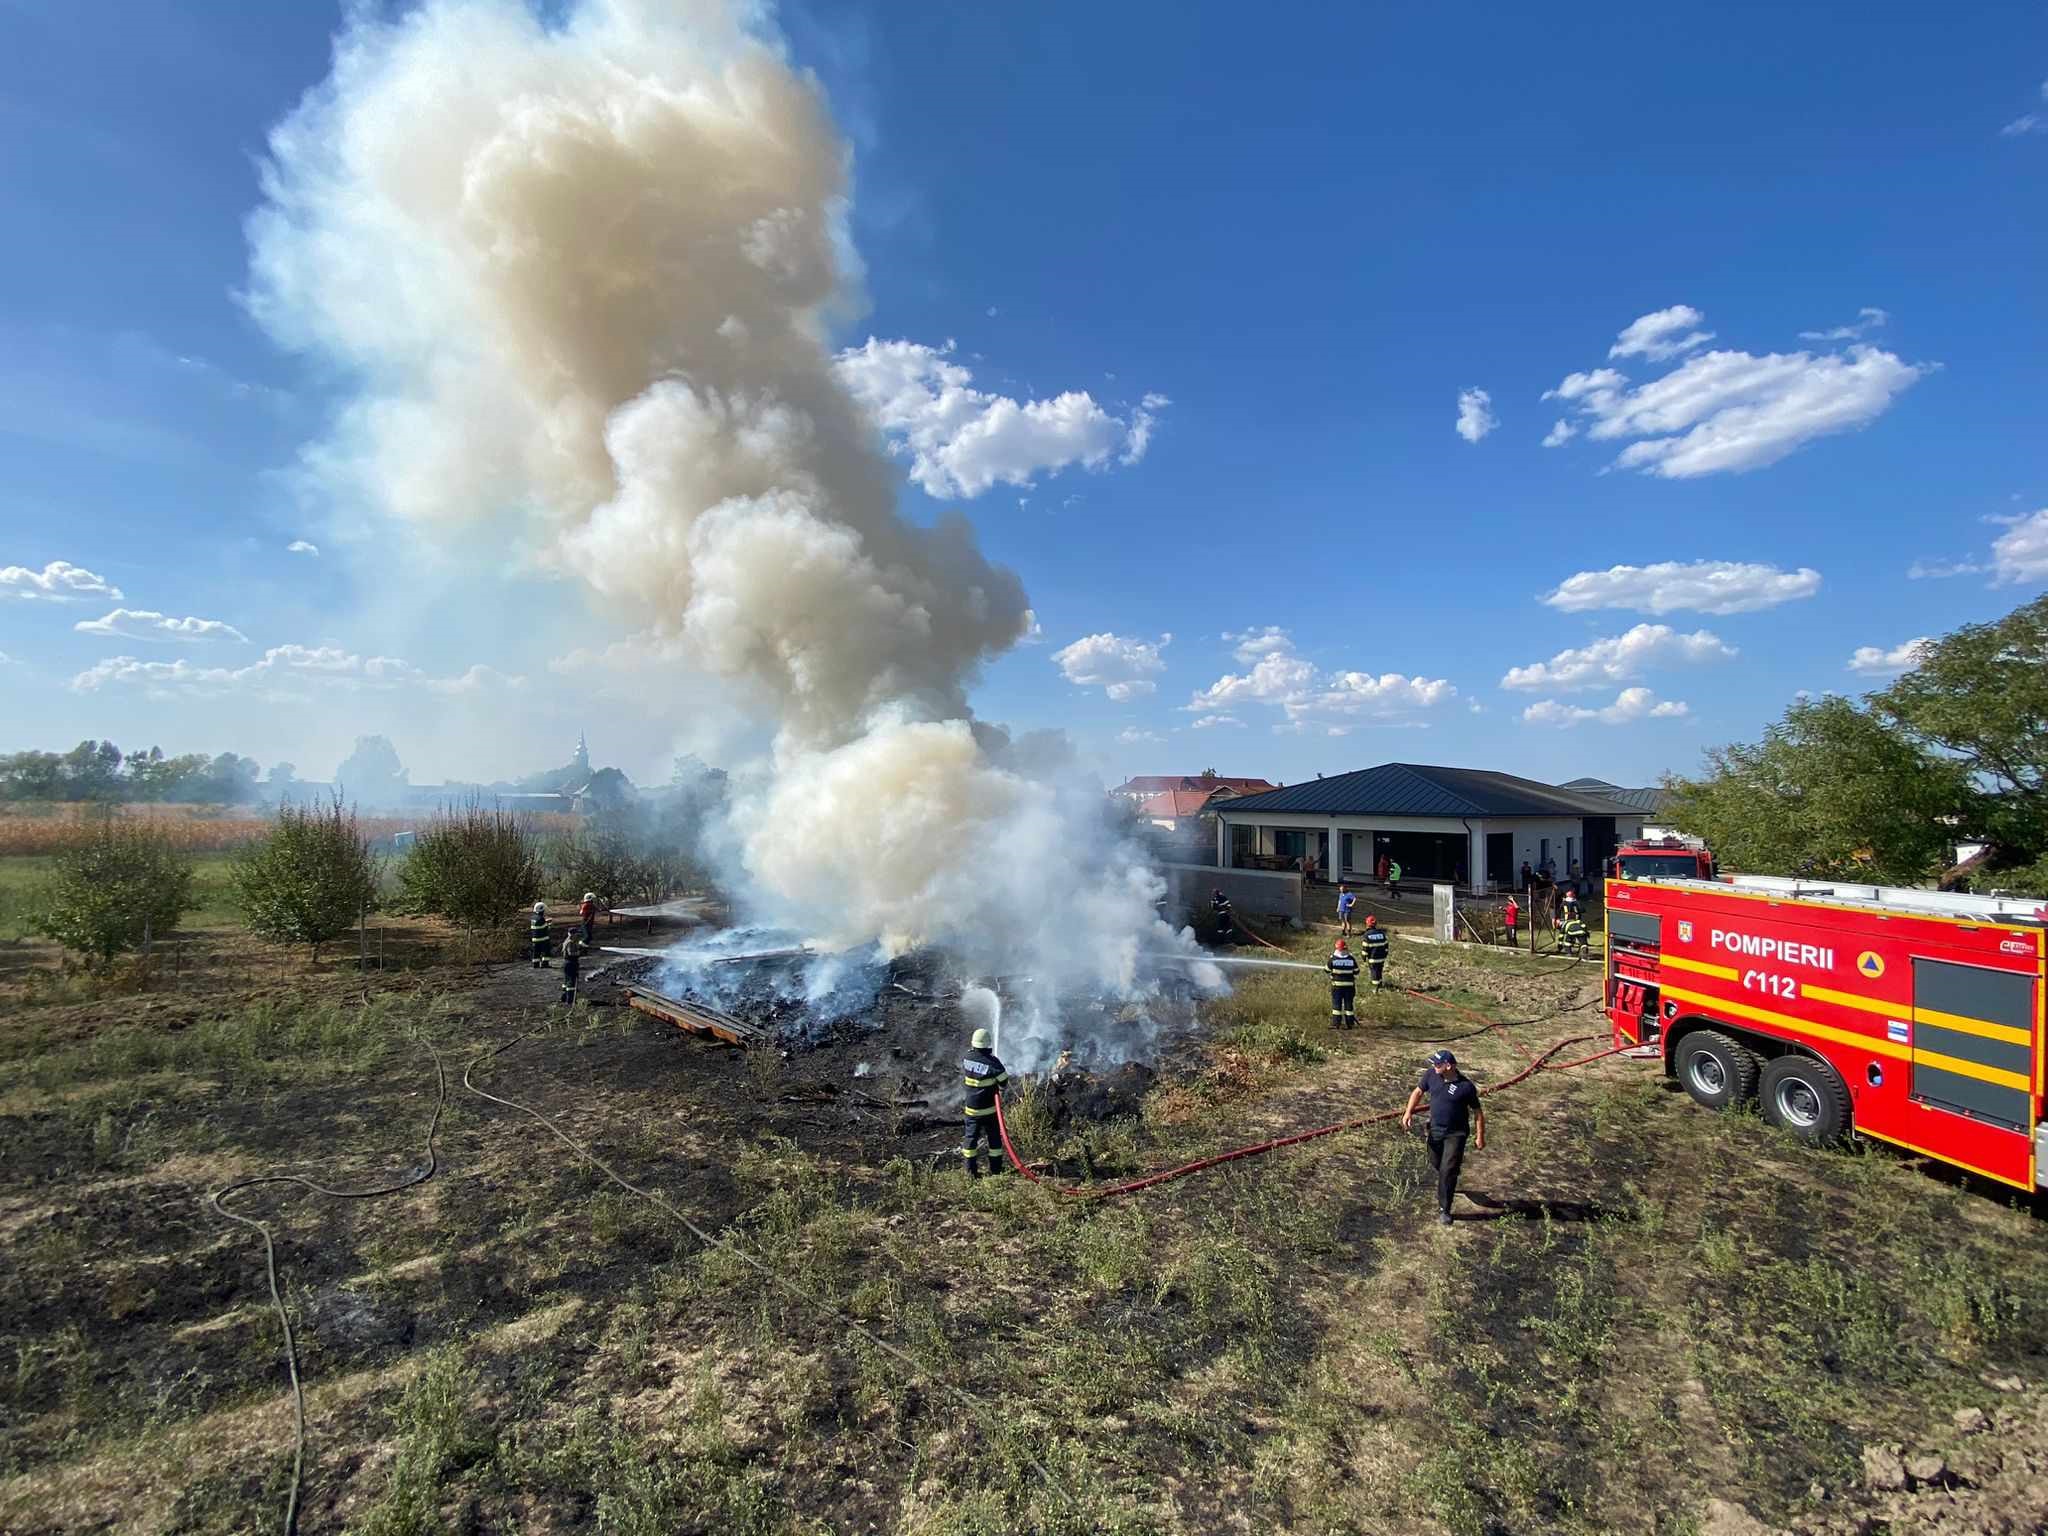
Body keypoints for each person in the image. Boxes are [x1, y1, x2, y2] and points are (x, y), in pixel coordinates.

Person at [1402, 1049, 1485, 1225]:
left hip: (1456, 1134)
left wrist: (1480, 1136)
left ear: (1449, 1066)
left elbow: (1478, 1112)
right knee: (1436, 1162)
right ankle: (1449, 1176)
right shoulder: (1431, 1075)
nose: (1434, 1066)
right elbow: (1418, 1092)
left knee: (1447, 1171)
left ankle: (1445, 1209)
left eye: (1438, 1064)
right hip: (1435, 1130)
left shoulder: (1466, 1087)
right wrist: (1408, 1112)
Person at [960, 1025, 1009, 1177]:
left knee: (970, 1140)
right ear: (987, 1044)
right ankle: (995, 1170)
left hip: (971, 1109)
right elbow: (1004, 1080)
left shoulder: (967, 1057)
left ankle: (970, 1172)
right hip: (989, 1110)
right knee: (994, 1140)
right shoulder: (992, 1062)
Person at [1326, 938, 1359, 1028]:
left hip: (1337, 987)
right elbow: (1356, 971)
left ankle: (1336, 1024)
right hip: (1349, 987)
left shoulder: (1333, 959)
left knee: (1337, 1005)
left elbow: (1327, 970)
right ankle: (1350, 1024)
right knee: (1349, 1005)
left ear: (1336, 948)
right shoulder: (1351, 959)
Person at [1361, 913, 1391, 991]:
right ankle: (1380, 984)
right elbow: (1386, 945)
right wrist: (1385, 955)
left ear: (1367, 924)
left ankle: (1375, 988)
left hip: (1373, 958)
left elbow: (1365, 949)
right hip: (1381, 958)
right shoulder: (1381, 934)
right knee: (1379, 971)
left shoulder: (1367, 935)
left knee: (1374, 972)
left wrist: (1364, 957)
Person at [559, 933, 582, 1005]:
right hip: (571, 964)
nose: (577, 936)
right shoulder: (570, 943)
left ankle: (564, 997)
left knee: (567, 981)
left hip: (568, 964)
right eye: (576, 934)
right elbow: (571, 953)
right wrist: (579, 952)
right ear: (572, 934)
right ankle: (570, 1000)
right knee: (571, 982)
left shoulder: (567, 941)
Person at [528, 901, 550, 968]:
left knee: (536, 952)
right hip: (543, 939)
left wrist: (545, 922)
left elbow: (538, 925)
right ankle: (545, 964)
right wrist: (549, 924)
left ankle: (535, 964)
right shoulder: (541, 918)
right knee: (545, 951)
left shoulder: (533, 918)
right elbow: (546, 928)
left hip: (534, 939)